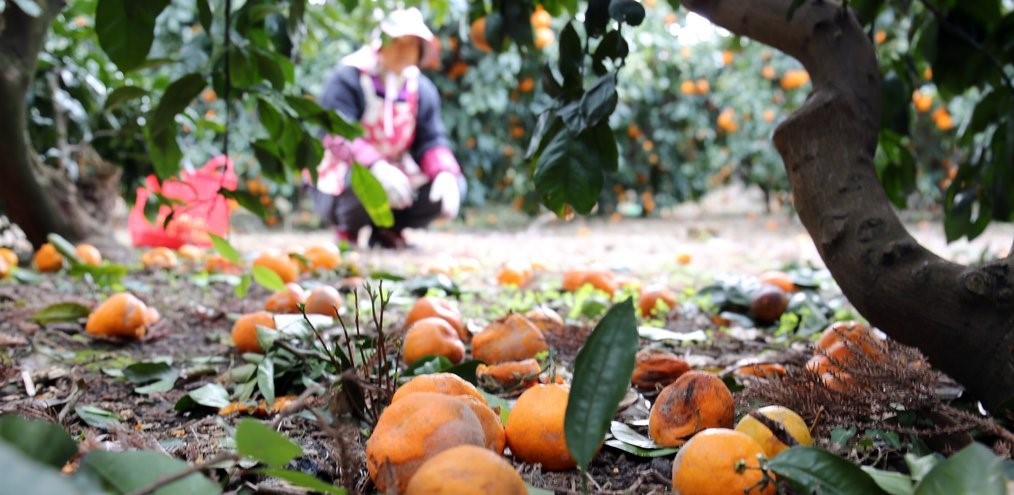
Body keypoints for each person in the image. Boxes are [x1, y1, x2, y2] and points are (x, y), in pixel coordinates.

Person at [307, 7, 465, 249]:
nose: (402, 50)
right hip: (346, 175)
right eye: (396, 42)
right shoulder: (347, 78)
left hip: (397, 172)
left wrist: (444, 171)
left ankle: (389, 230)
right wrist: (376, 166)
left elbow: (431, 139)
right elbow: (337, 132)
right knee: (364, 182)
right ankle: (346, 229)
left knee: (449, 184)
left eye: (410, 44)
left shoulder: (422, 89)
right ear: (380, 43)